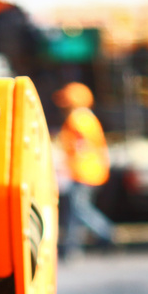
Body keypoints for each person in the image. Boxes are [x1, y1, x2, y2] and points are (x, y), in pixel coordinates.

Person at [54, 82, 114, 256]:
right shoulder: (86, 118)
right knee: (74, 211)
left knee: (79, 209)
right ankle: (71, 249)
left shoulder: (78, 119)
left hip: (83, 172)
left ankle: (106, 232)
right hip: (87, 171)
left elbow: (79, 147)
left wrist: (66, 167)